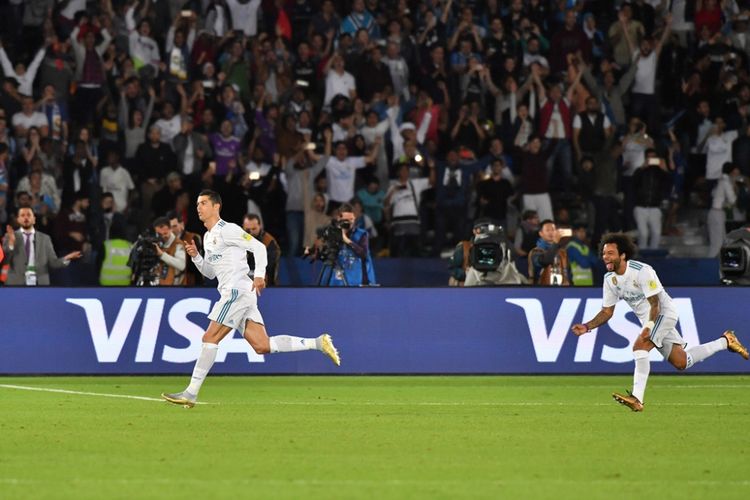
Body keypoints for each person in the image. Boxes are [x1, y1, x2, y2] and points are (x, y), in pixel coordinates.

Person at [162, 190, 340, 408]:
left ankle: (190, 393)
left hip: (236, 291)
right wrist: (196, 257)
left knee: (210, 338)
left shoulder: (229, 229)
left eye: (204, 203)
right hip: (238, 293)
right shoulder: (208, 237)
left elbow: (258, 247)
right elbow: (210, 272)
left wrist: (258, 275)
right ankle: (318, 343)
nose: (199, 207)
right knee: (262, 345)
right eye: (198, 203)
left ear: (217, 206)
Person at [571, 233, 749, 412]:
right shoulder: (610, 280)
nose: (605, 257)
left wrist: (648, 328)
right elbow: (607, 311)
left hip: (663, 314)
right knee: (682, 362)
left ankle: (637, 399)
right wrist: (587, 326)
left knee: (640, 347)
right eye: (604, 253)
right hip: (650, 321)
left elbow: (654, 303)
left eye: (610, 253)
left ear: (622, 255)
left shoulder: (642, 271)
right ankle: (726, 341)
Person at [2, 207, 82, 286]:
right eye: (22, 215)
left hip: (40, 283)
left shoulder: (45, 239)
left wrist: (66, 258)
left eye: (28, 215)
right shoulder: (9, 236)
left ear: (34, 219)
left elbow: (53, 263)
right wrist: (11, 244)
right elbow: (5, 261)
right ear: (18, 219)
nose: (26, 218)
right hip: (16, 284)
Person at [527, 219, 571, 286]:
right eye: (547, 230)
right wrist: (555, 243)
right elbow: (546, 260)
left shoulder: (562, 252)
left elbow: (569, 275)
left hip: (562, 291)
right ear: (541, 233)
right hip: (542, 291)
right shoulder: (536, 252)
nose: (551, 232)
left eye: (553, 230)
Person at [242, 213, 280, 286]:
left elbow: (270, 266)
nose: (251, 232)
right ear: (243, 227)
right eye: (247, 230)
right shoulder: (238, 239)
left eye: (254, 229)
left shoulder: (269, 241)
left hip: (265, 282)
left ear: (260, 226)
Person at [168, 211, 202, 286]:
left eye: (174, 226)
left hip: (190, 283)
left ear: (182, 224)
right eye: (169, 227)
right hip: (170, 283)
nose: (172, 230)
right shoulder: (165, 241)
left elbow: (196, 266)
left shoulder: (192, 238)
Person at [152, 216, 186, 286]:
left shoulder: (178, 244)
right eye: (159, 234)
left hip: (175, 287)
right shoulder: (156, 243)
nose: (163, 236)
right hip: (159, 285)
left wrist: (162, 255)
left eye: (165, 233)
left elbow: (182, 265)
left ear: (170, 229)